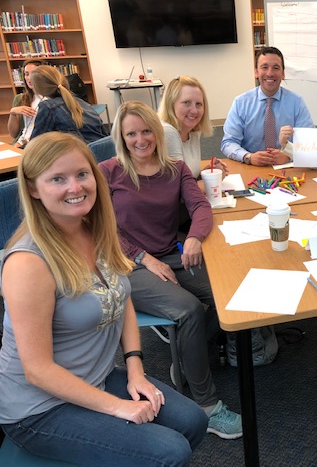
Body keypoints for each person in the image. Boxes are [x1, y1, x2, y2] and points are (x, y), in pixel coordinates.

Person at [0, 132, 208, 465]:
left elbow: (123, 297)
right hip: (38, 408)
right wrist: (118, 407)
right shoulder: (28, 263)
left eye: (82, 174)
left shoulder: (93, 229)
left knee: (194, 421)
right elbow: (37, 371)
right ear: (34, 189)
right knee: (171, 452)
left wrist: (135, 368)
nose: (75, 187)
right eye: (57, 179)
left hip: (96, 376)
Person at [99, 101, 242, 439]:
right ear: (121, 137)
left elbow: (200, 206)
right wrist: (144, 258)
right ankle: (206, 405)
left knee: (229, 291)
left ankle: (189, 357)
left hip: (171, 252)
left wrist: (193, 238)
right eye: (131, 134)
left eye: (146, 131)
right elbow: (99, 227)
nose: (140, 139)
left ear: (158, 132)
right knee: (189, 310)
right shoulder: (108, 171)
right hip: (126, 263)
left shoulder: (175, 169)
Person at [221, 46, 314, 166]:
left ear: (283, 74)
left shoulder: (296, 102)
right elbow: (228, 142)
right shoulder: (241, 103)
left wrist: (290, 155)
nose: (270, 73)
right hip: (251, 168)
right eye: (264, 67)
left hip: (287, 168)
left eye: (276, 68)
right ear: (256, 72)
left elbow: (310, 143)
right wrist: (248, 157)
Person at [158, 75, 228, 179]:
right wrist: (209, 180)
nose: (194, 111)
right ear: (171, 104)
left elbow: (188, 178)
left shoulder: (193, 132)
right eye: (187, 103)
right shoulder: (168, 132)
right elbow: (179, 185)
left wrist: (207, 174)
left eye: (199, 104)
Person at [29, 65, 105, 144]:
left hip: (78, 150)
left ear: (38, 88)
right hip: (101, 149)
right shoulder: (81, 102)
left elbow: (35, 143)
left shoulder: (47, 107)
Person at [7, 59, 43, 148]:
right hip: (19, 144)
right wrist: (13, 112)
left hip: (36, 146)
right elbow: (14, 134)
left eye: (33, 73)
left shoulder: (51, 100)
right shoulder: (20, 99)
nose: (29, 78)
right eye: (26, 74)